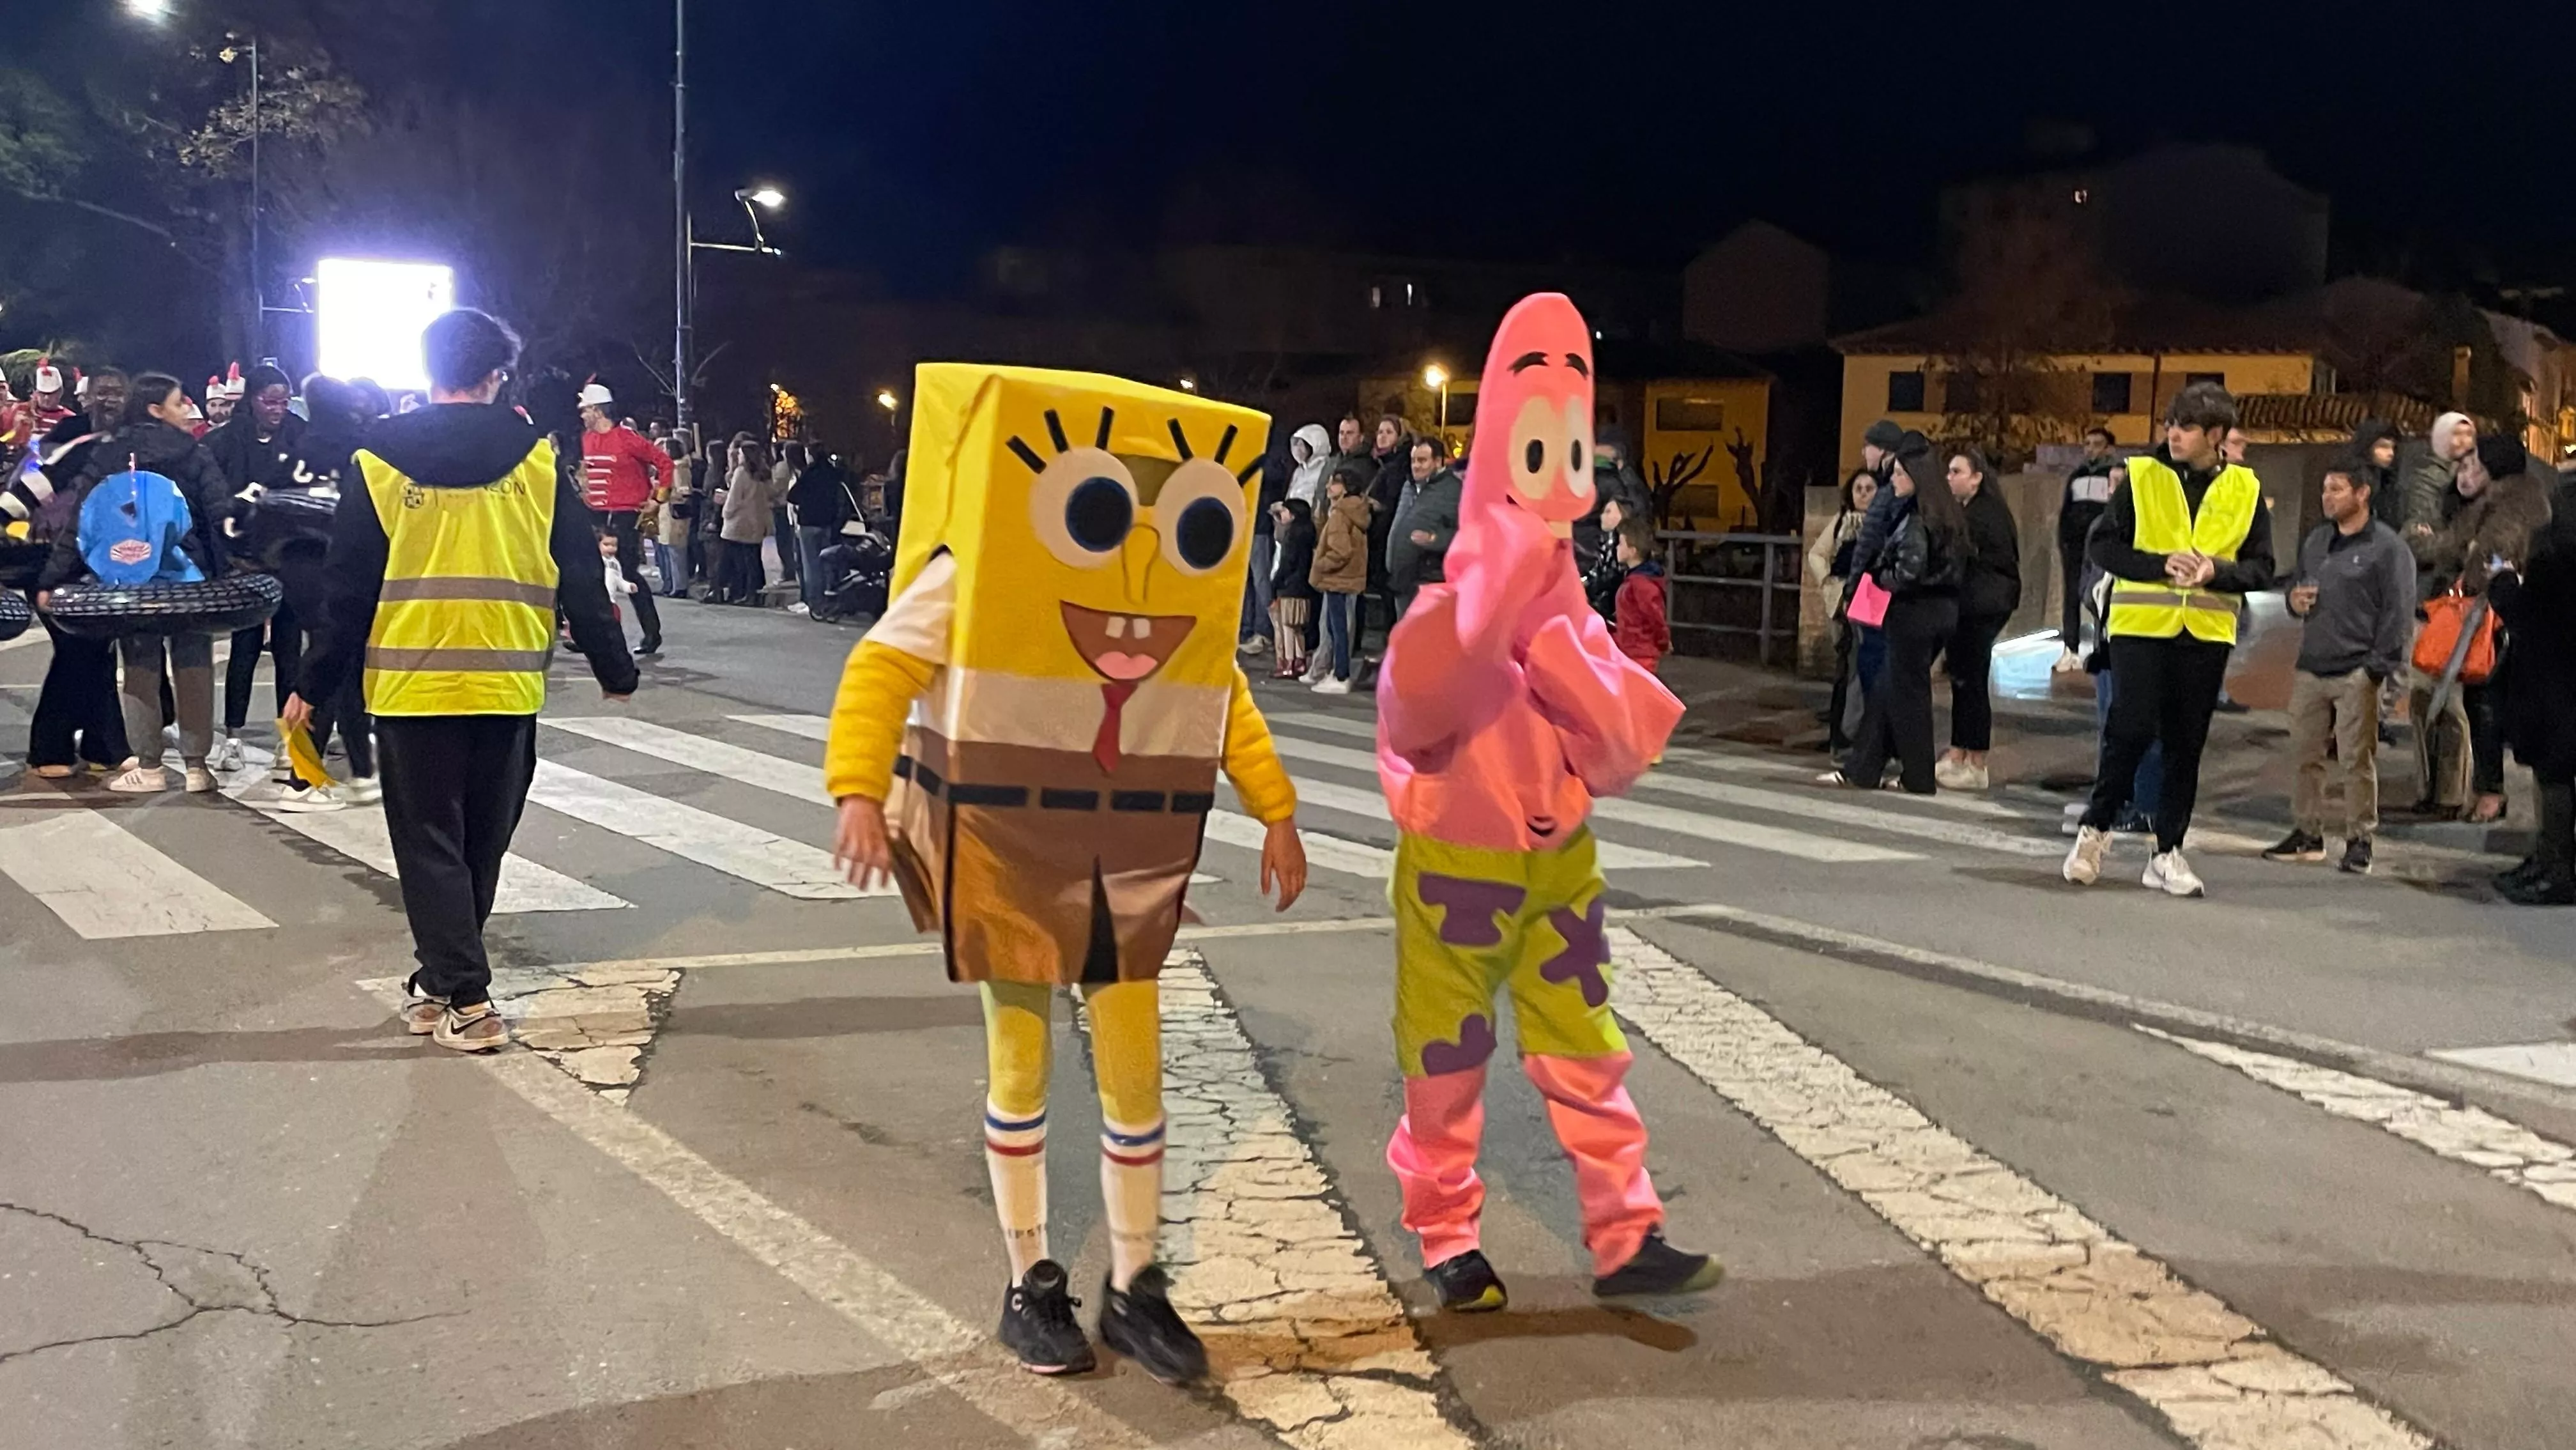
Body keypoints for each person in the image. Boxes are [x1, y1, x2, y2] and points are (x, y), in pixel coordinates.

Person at [825, 363, 1308, 1384]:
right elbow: (881, 665)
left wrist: (1279, 811)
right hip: (1007, 848)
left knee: (1138, 1078)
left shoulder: (1179, 593)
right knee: (1022, 1066)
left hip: (1132, 855)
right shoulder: (978, 569)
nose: (1137, 535)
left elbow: (1221, 695)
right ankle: (1030, 1279)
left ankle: (1136, 1286)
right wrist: (858, 791)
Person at [1376, 293, 1717, 1315]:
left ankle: (1627, 1231)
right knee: (1446, 1060)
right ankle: (1446, 1233)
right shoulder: (1457, 598)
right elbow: (1413, 709)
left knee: (1584, 1044)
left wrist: (1561, 649)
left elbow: (1622, 749)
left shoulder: (1571, 611)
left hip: (1558, 858)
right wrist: (1490, 611)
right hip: (1455, 866)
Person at [287, 309, 636, 1052]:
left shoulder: (374, 458)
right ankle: (446, 980)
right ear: (495, 375)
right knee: (484, 838)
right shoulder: (538, 458)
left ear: (430, 368)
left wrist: (314, 685)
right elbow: (582, 571)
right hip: (507, 683)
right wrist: (615, 668)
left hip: (412, 684)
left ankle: (463, 995)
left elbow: (345, 590)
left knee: (430, 841)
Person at [2064, 382, 2275, 899]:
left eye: (2185, 426)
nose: (2173, 434)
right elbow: (2104, 546)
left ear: (2216, 435)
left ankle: (2167, 852)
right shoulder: (2141, 476)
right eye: (2170, 424)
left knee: (2186, 743)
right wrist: (2161, 566)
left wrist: (2215, 571)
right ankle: (2096, 830)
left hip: (2204, 631)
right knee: (2130, 730)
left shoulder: (2246, 489)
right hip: (2141, 627)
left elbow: (2262, 567)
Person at [35, 373, 236, 794]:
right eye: (179, 402)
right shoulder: (194, 453)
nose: (187, 409)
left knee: (141, 668)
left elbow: (80, 523)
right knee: (194, 664)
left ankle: (150, 767)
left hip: (130, 579)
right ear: (155, 408)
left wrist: (54, 577)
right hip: (189, 579)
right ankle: (198, 767)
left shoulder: (109, 455)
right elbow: (223, 513)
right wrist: (241, 565)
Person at [2265, 458, 2415, 874]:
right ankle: (2307, 832)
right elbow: (2298, 588)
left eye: (2336, 489)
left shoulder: (2388, 548)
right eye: (2325, 489)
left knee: (2356, 759)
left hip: (2356, 669)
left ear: (2362, 493)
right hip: (2312, 664)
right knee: (2304, 754)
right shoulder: (2317, 541)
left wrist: (2375, 669)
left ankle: (2359, 838)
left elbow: (2399, 614)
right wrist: (2293, 602)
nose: (2327, 497)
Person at [2409, 435, 2552, 824]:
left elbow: (2489, 557)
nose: (2471, 468)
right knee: (2478, 702)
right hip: (2493, 613)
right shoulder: (2496, 499)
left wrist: (2467, 566)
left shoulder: (2514, 504)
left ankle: (2492, 793)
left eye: (2479, 462)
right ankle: (2484, 789)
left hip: (2497, 617)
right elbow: (2459, 545)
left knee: (2486, 704)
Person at [1825, 448, 1965, 794]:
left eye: (1901, 474)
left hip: (1913, 613)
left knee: (1908, 698)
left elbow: (1908, 572)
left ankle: (1917, 777)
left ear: (1917, 478)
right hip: (1935, 611)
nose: (1894, 480)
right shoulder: (1943, 513)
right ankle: (1863, 769)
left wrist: (1878, 575)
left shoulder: (1917, 516)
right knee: (1888, 691)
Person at [205, 364, 309, 772]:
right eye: (270, 401)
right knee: (244, 647)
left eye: (284, 401)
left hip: (290, 556)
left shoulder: (301, 435)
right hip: (243, 559)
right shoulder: (225, 441)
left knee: (289, 651)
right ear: (251, 400)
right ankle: (233, 737)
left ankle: (291, 739)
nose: (278, 409)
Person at [2485, 471, 2576, 904]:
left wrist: (2502, 582)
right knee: (2558, 777)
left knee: (2555, 777)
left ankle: (2556, 870)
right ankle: (2548, 862)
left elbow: (2527, 616)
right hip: (2562, 685)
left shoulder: (2555, 560)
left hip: (2552, 687)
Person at [1936, 448, 2021, 791]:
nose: (1949, 477)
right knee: (1964, 678)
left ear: (1977, 477)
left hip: (1980, 606)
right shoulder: (1973, 511)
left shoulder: (1983, 514)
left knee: (1970, 679)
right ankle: (1960, 752)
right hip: (1976, 604)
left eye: (1957, 471)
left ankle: (1975, 760)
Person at [576, 380, 670, 655]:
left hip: (625, 515)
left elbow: (665, 463)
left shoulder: (627, 438)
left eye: (585, 410)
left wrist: (657, 500)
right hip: (596, 515)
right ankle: (597, 635)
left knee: (627, 574)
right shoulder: (587, 440)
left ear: (597, 410)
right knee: (594, 576)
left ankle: (651, 633)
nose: (582, 416)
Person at [1812, 468, 1880, 753]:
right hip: (1842, 602)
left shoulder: (1881, 523)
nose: (1863, 494)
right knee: (1844, 670)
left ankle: (1852, 735)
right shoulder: (1841, 521)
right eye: (1858, 489)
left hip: (1869, 600)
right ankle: (1840, 735)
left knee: (1858, 669)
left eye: (1869, 488)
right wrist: (1828, 583)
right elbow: (1817, 553)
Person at [2056, 427, 2121, 671]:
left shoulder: (2115, 476)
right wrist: (2063, 539)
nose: (2090, 449)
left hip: (2100, 546)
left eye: (2097, 444)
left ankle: (2100, 646)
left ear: (2109, 448)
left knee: (2100, 594)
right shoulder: (2077, 476)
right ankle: (2070, 648)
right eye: (2087, 444)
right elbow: (2066, 510)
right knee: (2071, 595)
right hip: (2074, 545)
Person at [1309, 461, 1371, 694]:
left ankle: (1340, 674)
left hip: (1337, 578)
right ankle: (1338, 672)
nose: (1328, 486)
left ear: (1345, 488)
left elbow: (1341, 551)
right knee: (1340, 627)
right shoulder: (1357, 510)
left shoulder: (1340, 514)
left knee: (1337, 628)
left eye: (1334, 482)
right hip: (1350, 577)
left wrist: (1320, 564)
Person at [1386, 436, 1461, 620]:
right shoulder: (1410, 487)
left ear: (1438, 461)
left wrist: (1434, 539)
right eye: (1413, 460)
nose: (1416, 466)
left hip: (1429, 582)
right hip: (1404, 580)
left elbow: (1464, 534)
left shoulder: (1453, 491)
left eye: (1422, 460)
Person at [786, 445, 850, 616]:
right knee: (828, 561)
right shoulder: (833, 473)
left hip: (809, 523)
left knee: (811, 565)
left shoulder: (810, 473)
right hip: (828, 523)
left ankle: (815, 600)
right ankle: (830, 596)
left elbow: (792, 496)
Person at [2405, 410, 2478, 547]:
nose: (2464, 441)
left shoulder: (2478, 473)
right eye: (2456, 434)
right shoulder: (2427, 476)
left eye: (2469, 434)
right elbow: (2421, 526)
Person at [1268, 497, 1317, 680]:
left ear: (1293, 514)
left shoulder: (1293, 535)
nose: (1282, 516)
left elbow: (1288, 563)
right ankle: (1300, 660)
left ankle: (1289, 662)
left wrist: (1276, 583)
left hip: (1290, 586)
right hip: (1304, 586)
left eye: (1285, 512)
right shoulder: (1309, 532)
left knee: (1288, 626)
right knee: (1298, 628)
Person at [719, 436, 773, 603]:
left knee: (739, 561)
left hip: (740, 521)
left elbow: (734, 498)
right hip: (757, 520)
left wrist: (726, 512)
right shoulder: (764, 474)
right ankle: (754, 594)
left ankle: (741, 592)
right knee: (753, 560)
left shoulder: (742, 472)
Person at [1611, 518, 1669, 672]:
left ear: (1633, 551)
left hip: (1639, 653)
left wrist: (1663, 642)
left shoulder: (1640, 584)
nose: (1617, 547)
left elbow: (1655, 618)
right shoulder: (1636, 581)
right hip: (1633, 651)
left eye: (1621, 543)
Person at [659, 426, 698, 597]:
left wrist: (667, 494)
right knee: (672, 551)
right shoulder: (671, 467)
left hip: (675, 513)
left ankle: (680, 586)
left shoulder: (679, 468)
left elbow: (684, 490)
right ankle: (675, 585)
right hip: (668, 513)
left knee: (677, 551)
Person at [771, 442, 805, 587]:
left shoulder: (784, 468)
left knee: (786, 542)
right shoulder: (793, 470)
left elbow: (776, 488)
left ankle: (790, 572)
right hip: (790, 511)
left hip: (785, 508)